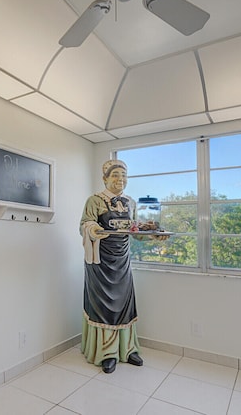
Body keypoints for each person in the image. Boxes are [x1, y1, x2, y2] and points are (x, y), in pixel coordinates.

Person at [78, 159, 147, 374]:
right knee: (104, 305)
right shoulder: (94, 200)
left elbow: (135, 230)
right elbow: (84, 225)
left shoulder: (131, 203)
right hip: (100, 261)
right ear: (105, 178)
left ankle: (127, 349)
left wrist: (151, 235)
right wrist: (93, 229)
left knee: (125, 303)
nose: (121, 180)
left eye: (124, 175)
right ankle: (107, 352)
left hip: (122, 260)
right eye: (116, 175)